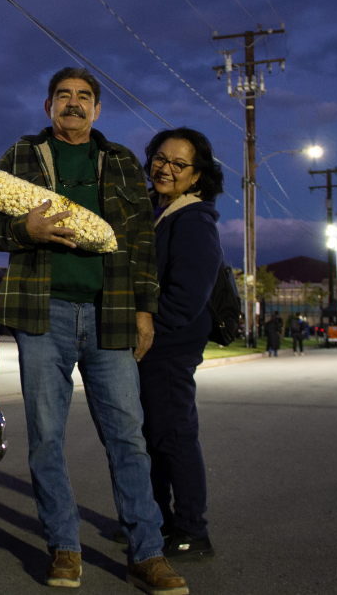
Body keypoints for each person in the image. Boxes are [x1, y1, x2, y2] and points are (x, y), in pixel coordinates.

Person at [0, 67, 187, 593]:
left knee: (127, 439)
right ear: (48, 105)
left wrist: (144, 310)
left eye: (84, 97)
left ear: (98, 109)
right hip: (42, 314)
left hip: (109, 313)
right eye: (64, 96)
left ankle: (148, 553)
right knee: (47, 439)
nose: (74, 104)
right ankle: (65, 547)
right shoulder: (21, 156)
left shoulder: (117, 162)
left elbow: (139, 241)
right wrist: (23, 229)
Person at [139, 127, 223, 562]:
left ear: (197, 176)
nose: (165, 168)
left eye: (178, 164)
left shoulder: (193, 219)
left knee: (174, 436)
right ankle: (158, 522)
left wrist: (151, 331)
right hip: (153, 347)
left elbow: (187, 296)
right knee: (154, 437)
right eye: (159, 158)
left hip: (169, 347)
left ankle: (193, 530)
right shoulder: (161, 211)